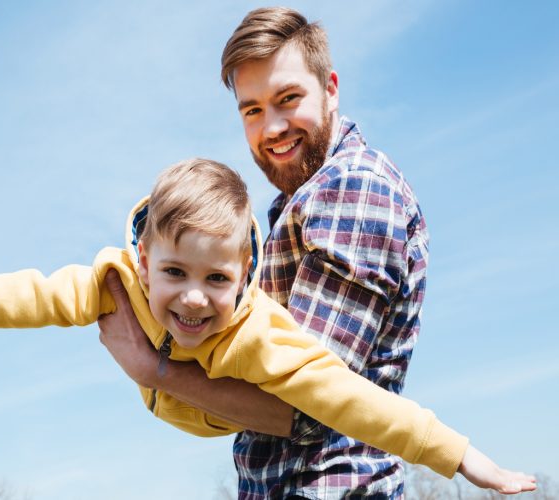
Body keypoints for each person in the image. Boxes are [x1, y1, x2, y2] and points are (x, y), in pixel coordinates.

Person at [0, 159, 534, 496]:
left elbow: (354, 399)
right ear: (146, 260)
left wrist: (462, 456)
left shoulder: (258, 337)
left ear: (244, 276)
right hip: (168, 397)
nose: (193, 300)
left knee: (319, 399)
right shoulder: (113, 284)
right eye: (176, 274)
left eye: (217, 281)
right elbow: (21, 297)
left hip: (222, 406)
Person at [92, 7, 525, 499]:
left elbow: (306, 405)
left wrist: (155, 371)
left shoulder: (352, 190)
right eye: (252, 110)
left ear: (331, 89)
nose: (271, 127)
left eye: (288, 99)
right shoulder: (296, 204)